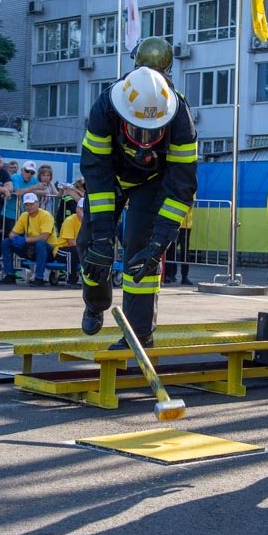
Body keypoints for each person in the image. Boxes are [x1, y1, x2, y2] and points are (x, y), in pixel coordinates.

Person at [78, 65, 198, 348]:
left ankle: (139, 335)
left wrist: (159, 245)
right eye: (137, 131)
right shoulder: (104, 108)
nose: (144, 144)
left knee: (141, 251)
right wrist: (103, 237)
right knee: (91, 243)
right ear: (122, 116)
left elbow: (182, 186)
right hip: (112, 177)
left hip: (153, 181)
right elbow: (96, 173)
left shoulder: (180, 116)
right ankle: (96, 303)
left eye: (152, 133)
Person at [0, 192, 53, 286]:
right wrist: (15, 239)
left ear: (37, 203)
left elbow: (45, 236)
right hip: (31, 247)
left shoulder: (46, 215)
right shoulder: (24, 216)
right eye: (26, 204)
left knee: (40, 243)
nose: (29, 207)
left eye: (31, 204)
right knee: (6, 242)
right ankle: (9, 275)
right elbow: (12, 233)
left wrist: (24, 240)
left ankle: (39, 278)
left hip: (48, 250)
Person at [52, 197, 83, 286]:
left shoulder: (88, 221)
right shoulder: (70, 221)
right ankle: (71, 279)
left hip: (78, 249)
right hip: (61, 249)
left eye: (85, 209)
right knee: (72, 251)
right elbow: (71, 243)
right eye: (81, 209)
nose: (83, 211)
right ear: (77, 209)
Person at [163, 206, 193, 286]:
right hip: (174, 223)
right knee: (171, 249)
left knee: (184, 251)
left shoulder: (190, 193)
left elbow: (190, 205)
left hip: (185, 224)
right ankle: (170, 274)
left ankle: (184, 276)